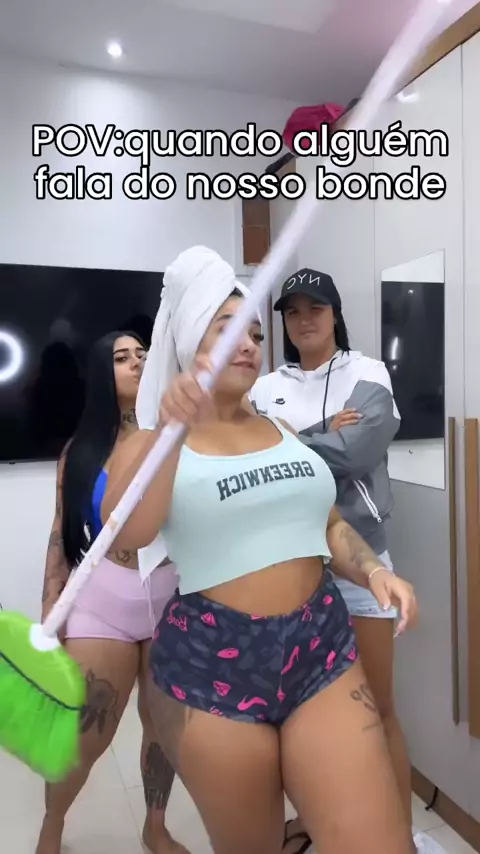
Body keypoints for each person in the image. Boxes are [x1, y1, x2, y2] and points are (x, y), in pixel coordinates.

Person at [102, 246, 419, 854]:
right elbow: (129, 533)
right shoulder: (147, 443)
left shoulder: (281, 429)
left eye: (253, 332)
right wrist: (171, 432)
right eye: (228, 330)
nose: (249, 343)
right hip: (214, 668)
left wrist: (373, 571)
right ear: (190, 341)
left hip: (319, 647)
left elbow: (327, 523)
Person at [248, 267, 442, 854]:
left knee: (378, 708)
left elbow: (356, 453)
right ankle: (313, 820)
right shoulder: (265, 387)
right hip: (289, 562)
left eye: (316, 308)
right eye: (293, 311)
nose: (304, 319)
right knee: (296, 715)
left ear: (335, 314)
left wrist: (289, 438)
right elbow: (251, 462)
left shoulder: (368, 373)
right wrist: (321, 431)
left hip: (361, 562)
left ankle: (401, 834)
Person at [37, 330, 188, 854]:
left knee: (163, 729)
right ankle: (53, 822)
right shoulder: (80, 452)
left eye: (143, 354)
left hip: (170, 598)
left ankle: (155, 826)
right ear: (104, 373)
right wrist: (50, 611)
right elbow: (59, 534)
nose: (137, 363)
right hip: (103, 602)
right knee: (83, 734)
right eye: (123, 358)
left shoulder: (176, 438)